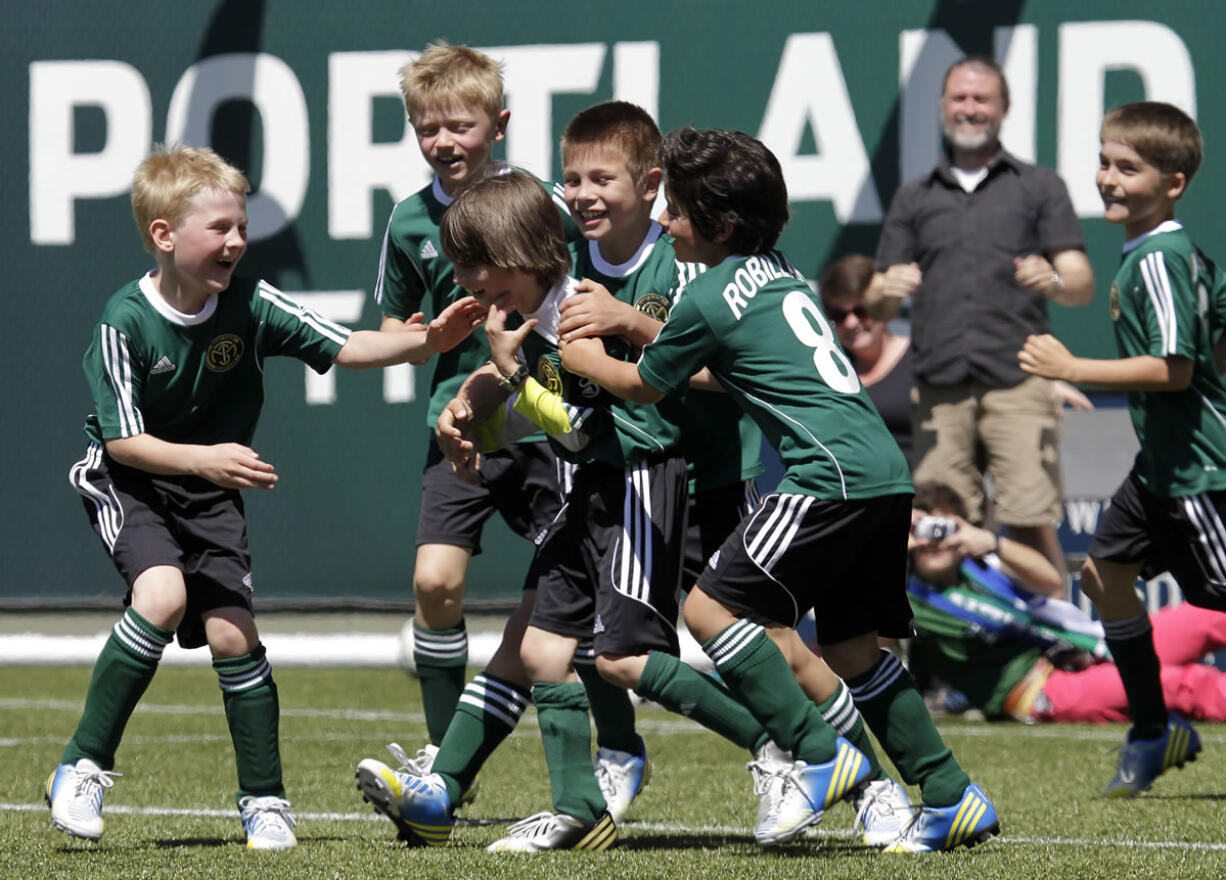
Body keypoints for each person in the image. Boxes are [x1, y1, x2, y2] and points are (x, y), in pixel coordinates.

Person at [562, 126, 1001, 854]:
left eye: (677, 211)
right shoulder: (778, 271)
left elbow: (644, 385)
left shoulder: (702, 295)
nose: (667, 222)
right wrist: (633, 320)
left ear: (721, 224)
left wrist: (584, 348)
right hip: (883, 479)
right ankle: (953, 794)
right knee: (856, 650)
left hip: (825, 476)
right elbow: (723, 366)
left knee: (708, 608)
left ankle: (820, 755)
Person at [45, 144, 483, 850]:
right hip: (132, 483)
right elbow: (124, 443)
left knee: (232, 636)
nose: (238, 241)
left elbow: (344, 346)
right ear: (164, 235)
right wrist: (205, 459)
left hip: (209, 491)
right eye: (220, 228)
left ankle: (266, 802)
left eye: (242, 227)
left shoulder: (250, 302)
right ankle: (82, 765)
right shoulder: (122, 320)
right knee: (161, 597)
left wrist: (425, 343)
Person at [1019, 101, 1226, 797]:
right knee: (1104, 579)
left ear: (1174, 183)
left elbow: (1177, 369)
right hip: (1162, 465)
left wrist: (1068, 368)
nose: (1108, 178)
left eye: (1127, 167)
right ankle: (1151, 729)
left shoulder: (1162, 259)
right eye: (1105, 162)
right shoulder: (1163, 255)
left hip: (1200, 467)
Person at [373, 41, 572, 752]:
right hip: (457, 425)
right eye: (428, 127)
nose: (443, 141)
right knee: (434, 585)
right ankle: (440, 751)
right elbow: (394, 328)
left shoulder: (542, 203)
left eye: (459, 125)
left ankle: (615, 748)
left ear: (499, 124)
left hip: (543, 417)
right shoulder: (408, 222)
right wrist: (428, 336)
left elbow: (574, 295)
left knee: (576, 589)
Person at [870, 55, 1094, 579]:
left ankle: (1050, 641)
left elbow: (1080, 281)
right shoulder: (914, 196)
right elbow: (879, 299)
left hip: (1019, 383)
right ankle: (956, 649)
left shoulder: (1038, 186)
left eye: (981, 99)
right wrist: (888, 289)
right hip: (940, 390)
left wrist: (1055, 281)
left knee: (1029, 520)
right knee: (938, 530)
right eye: (960, 98)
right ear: (943, 106)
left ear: (1004, 108)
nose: (970, 109)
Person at [907, 482, 1226, 723]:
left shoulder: (982, 565)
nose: (932, 541)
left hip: (1090, 642)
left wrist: (991, 542)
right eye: (920, 529)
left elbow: (1051, 582)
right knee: (1181, 684)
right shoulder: (906, 598)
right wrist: (888, 541)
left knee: (1208, 616)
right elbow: (868, 630)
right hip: (1037, 688)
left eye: (943, 528)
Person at [819, 254, 914, 464]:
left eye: (861, 311)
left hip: (922, 490)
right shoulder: (831, 376)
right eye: (839, 315)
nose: (852, 322)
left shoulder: (921, 358)